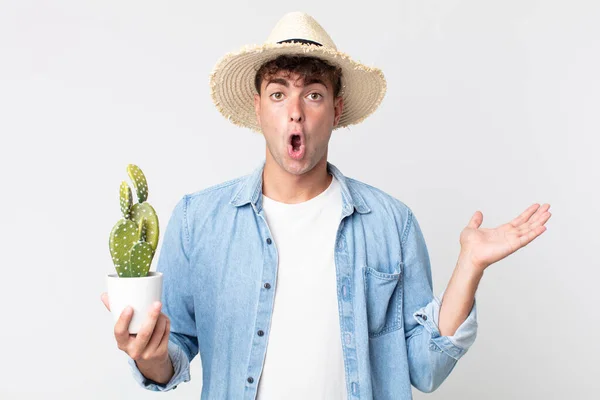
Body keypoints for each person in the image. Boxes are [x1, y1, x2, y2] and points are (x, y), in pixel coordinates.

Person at [101, 11, 551, 399]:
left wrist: (469, 266)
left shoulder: (391, 224)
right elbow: (171, 351)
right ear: (258, 108)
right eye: (278, 94)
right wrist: (150, 357)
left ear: (335, 111)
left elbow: (424, 368)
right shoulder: (198, 220)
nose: (295, 111)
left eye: (312, 94)